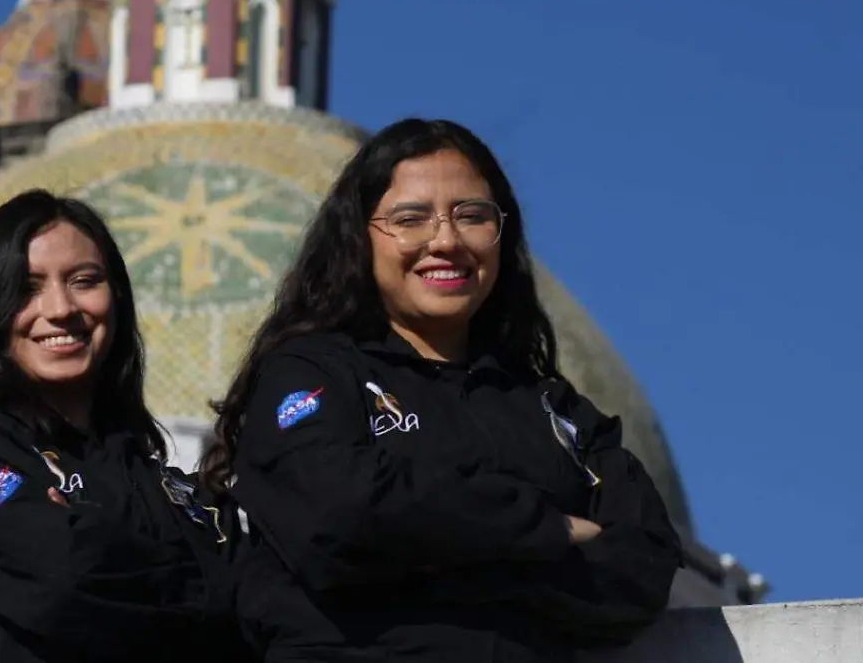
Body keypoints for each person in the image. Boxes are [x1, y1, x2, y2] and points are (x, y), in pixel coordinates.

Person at [200, 118, 682, 662]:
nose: (446, 241)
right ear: (359, 237)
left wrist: (439, 549)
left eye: (472, 216)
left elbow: (643, 562)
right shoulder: (310, 373)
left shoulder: (553, 406)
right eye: (410, 219)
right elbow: (337, 516)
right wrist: (545, 528)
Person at [0, 190, 247, 662]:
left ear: (117, 298)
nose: (61, 307)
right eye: (27, 289)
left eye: (85, 281)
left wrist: (99, 536)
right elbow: (62, 581)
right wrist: (201, 580)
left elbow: (253, 599)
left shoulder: (149, 472)